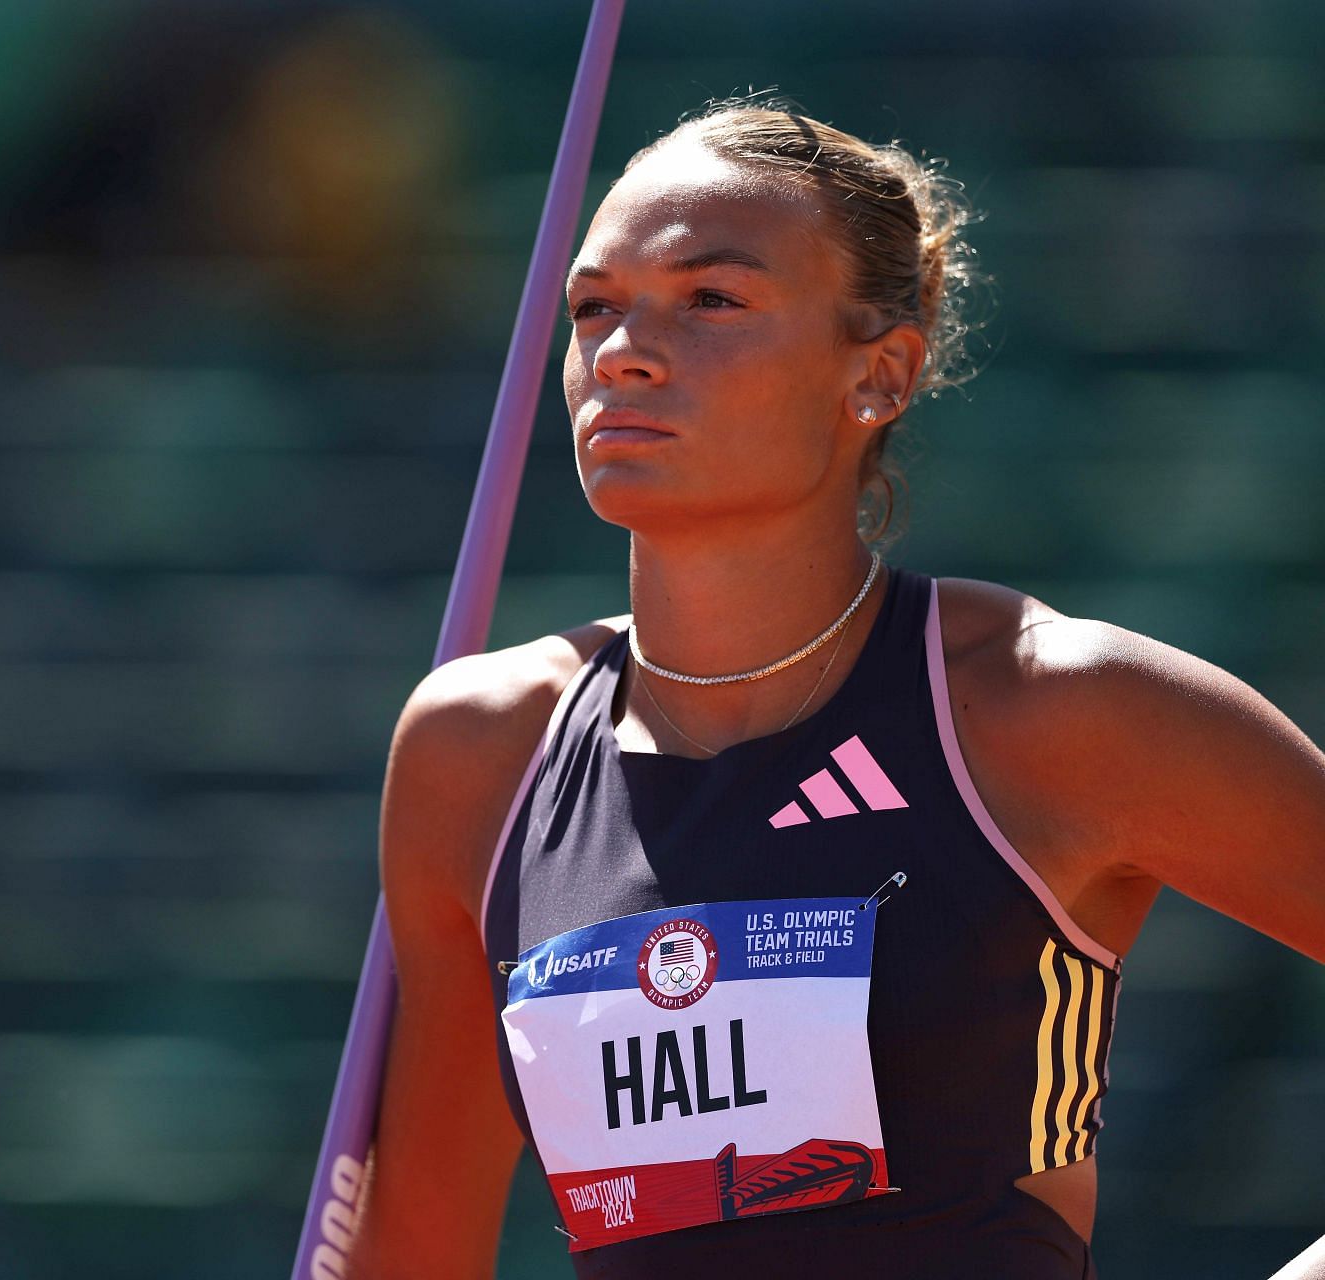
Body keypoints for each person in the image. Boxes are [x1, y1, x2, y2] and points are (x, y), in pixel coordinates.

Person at [348, 99, 1325, 1279]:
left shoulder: (1050, 707)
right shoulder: (480, 750)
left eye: (711, 299)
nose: (622, 351)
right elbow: (413, 1249)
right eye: (595, 306)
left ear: (879, 374)